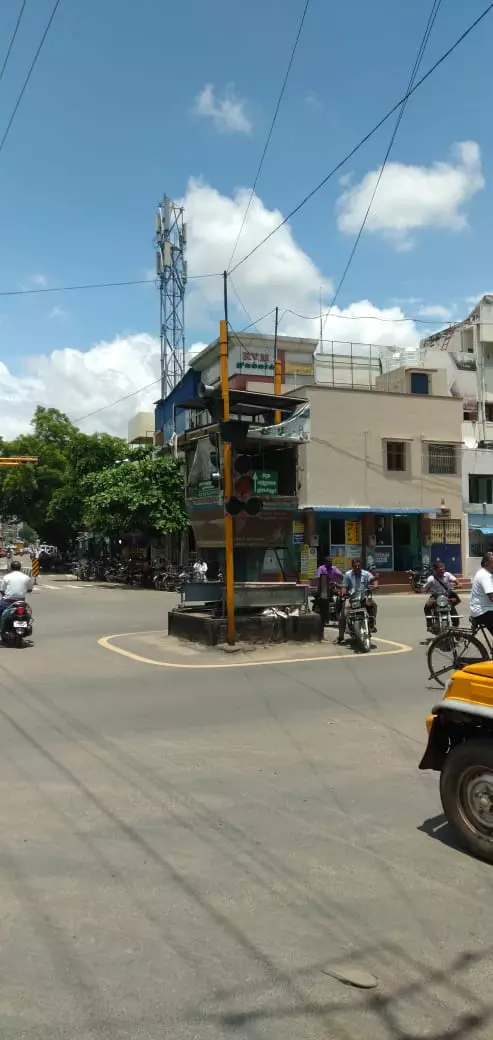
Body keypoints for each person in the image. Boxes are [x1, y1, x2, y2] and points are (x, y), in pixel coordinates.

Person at [338, 557, 377, 643]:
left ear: (361, 565)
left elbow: (373, 579)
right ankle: (341, 637)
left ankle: (372, 624)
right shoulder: (348, 575)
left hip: (364, 597)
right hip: (352, 599)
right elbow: (344, 586)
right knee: (342, 615)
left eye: (359, 565)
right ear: (352, 566)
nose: (357, 567)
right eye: (355, 565)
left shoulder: (366, 573)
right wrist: (343, 592)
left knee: (373, 605)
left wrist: (375, 585)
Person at [423, 560, 459, 631]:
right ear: (435, 570)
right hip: (435, 595)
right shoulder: (431, 578)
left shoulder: (447, 575)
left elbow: (455, 581)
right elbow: (425, 588)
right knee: (427, 606)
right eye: (440, 569)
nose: (443, 571)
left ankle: (455, 626)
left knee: (452, 605)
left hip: (447, 595)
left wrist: (458, 584)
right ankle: (429, 625)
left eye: (444, 569)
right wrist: (425, 590)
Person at [316, 555, 343, 628]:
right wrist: (325, 581)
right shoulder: (321, 568)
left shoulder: (334, 568)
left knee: (341, 597)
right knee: (325, 601)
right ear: (325, 562)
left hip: (332, 587)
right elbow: (319, 577)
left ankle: (339, 613)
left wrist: (341, 578)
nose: (330, 563)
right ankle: (325, 618)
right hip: (323, 588)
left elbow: (340, 575)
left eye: (331, 562)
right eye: (329, 562)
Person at [470, 553, 493, 634]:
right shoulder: (485, 576)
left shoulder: (485, 572)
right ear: (486, 563)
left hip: (485, 609)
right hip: (483, 611)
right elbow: (492, 597)